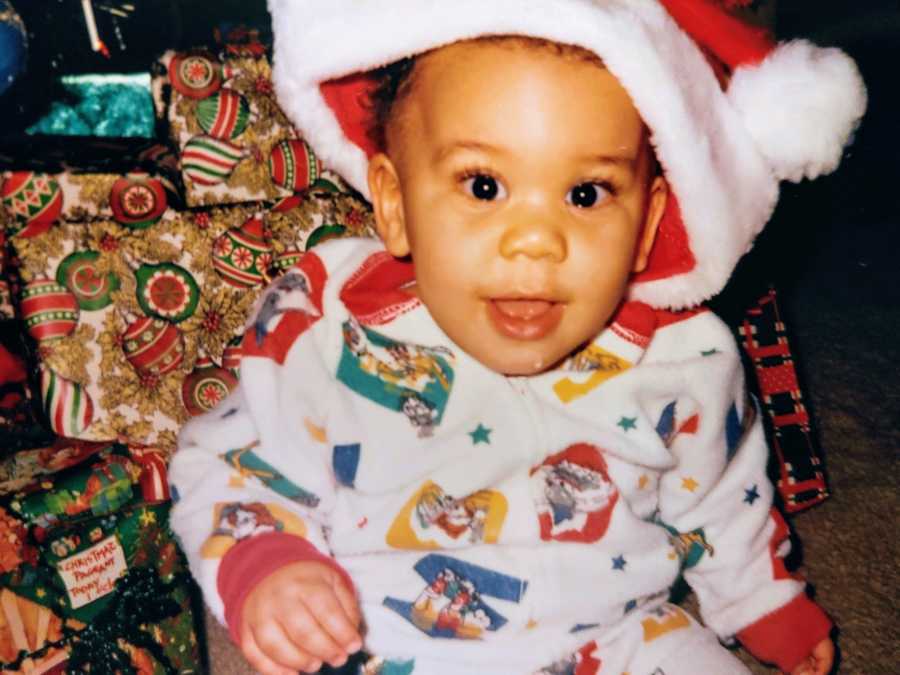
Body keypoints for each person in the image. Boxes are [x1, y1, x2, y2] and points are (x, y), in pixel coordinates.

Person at [168, 1, 866, 674]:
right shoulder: (328, 326)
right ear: (394, 200)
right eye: (483, 185)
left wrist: (761, 601)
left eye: (586, 194)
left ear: (648, 220)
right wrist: (269, 565)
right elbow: (227, 463)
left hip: (621, 633)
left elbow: (720, 497)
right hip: (391, 641)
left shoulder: (682, 356)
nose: (536, 241)